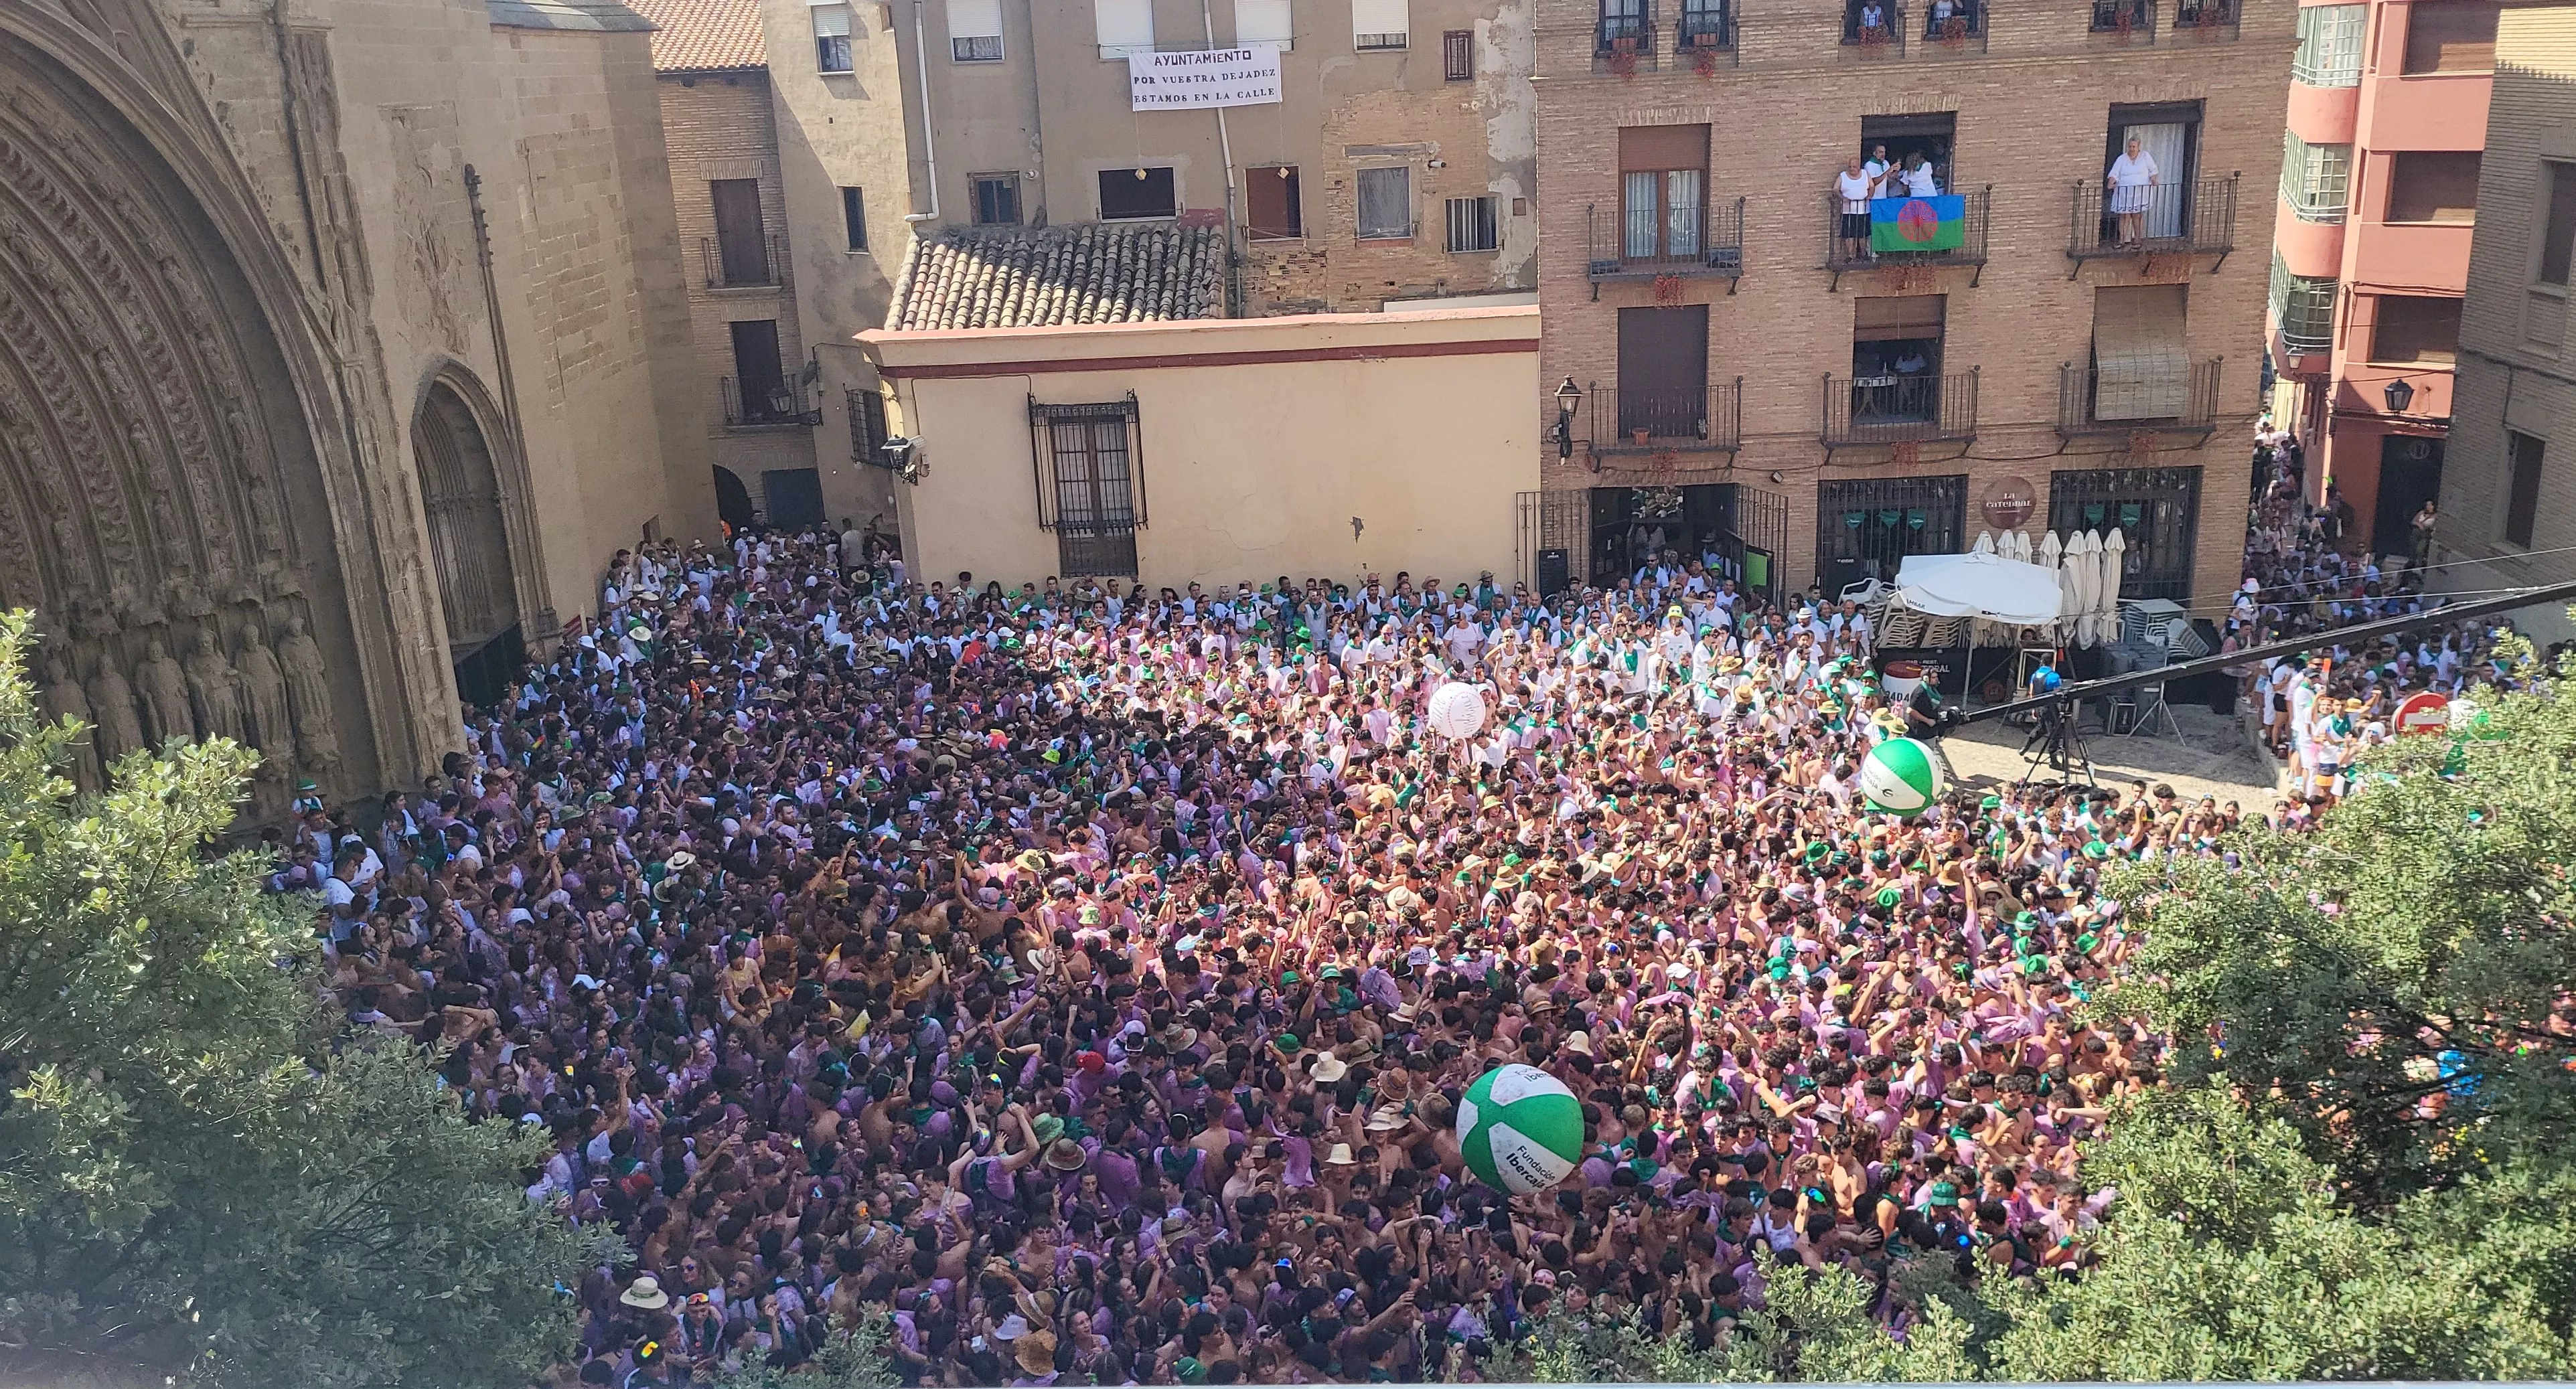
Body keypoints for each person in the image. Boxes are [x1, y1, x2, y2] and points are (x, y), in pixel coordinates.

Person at [2106, 135, 2159, 247]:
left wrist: (2154, 180)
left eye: (2134, 146)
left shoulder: (2145, 156)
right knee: (2124, 216)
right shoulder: (2122, 158)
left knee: (2137, 215)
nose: (2132, 149)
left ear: (2139, 147)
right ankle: (2121, 241)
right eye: (2130, 146)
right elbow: (2115, 172)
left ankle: (2138, 240)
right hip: (2124, 192)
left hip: (2140, 192)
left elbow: (2153, 170)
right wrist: (2111, 183)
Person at [1835, 155, 1876, 262]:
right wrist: (1842, 198)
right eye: (1850, 167)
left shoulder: (1865, 174)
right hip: (1848, 211)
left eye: (1854, 167)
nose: (1852, 169)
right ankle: (1850, 255)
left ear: (1859, 167)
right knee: (1849, 234)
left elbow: (1872, 186)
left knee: (1862, 234)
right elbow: (1835, 189)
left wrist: (1870, 196)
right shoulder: (1843, 176)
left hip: (1863, 210)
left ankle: (1863, 254)